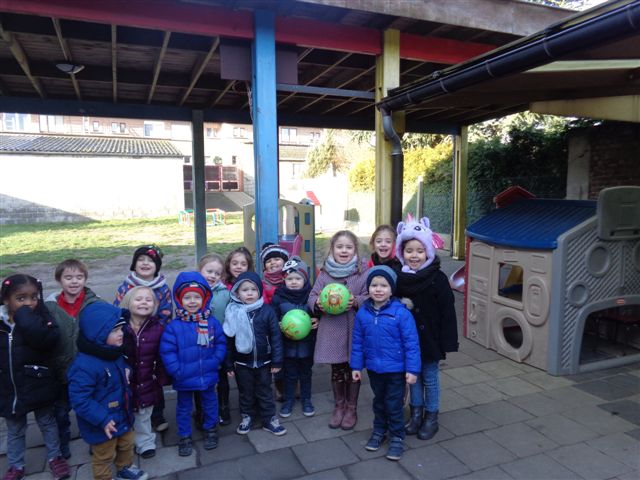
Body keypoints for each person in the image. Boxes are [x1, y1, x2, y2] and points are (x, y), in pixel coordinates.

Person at [1, 274, 71, 480]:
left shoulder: (41, 318)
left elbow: (48, 339)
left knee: (47, 422)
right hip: (10, 388)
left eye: (34, 297)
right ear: (6, 300)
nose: (29, 303)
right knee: (15, 428)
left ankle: (55, 457)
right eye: (21, 298)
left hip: (39, 382)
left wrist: (25, 318)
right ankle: (16, 465)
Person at [394, 217, 458, 441]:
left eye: (420, 251)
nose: (414, 255)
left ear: (428, 252)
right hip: (408, 341)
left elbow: (448, 311)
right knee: (413, 377)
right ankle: (416, 414)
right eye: (409, 251)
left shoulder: (437, 278)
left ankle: (431, 417)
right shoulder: (399, 277)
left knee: (429, 377)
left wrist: (448, 341)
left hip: (431, 339)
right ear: (402, 252)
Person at [67, 303, 148, 480]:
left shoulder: (113, 352)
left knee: (127, 444)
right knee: (104, 455)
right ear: (98, 335)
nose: (121, 333)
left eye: (121, 329)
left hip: (123, 414)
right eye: (115, 330)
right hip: (102, 423)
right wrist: (102, 419)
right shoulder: (84, 366)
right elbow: (79, 400)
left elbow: (121, 367)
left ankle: (124, 468)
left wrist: (127, 370)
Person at [350, 266, 420, 461]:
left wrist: (412, 369)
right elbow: (357, 342)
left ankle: (397, 436)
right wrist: (356, 366)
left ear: (391, 290)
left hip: (396, 370)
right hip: (374, 369)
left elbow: (412, 344)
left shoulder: (402, 314)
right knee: (379, 402)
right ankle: (379, 431)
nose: (378, 289)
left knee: (393, 404)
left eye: (383, 285)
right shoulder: (363, 313)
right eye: (374, 285)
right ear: (368, 288)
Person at [160, 272, 226, 457]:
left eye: (196, 297)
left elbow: (220, 343)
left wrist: (215, 361)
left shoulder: (211, 323)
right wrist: (176, 370)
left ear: (204, 299)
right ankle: (184, 435)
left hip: (207, 373)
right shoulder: (174, 326)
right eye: (187, 297)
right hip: (184, 376)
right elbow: (167, 351)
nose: (192, 301)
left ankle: (210, 428)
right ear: (180, 300)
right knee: (183, 408)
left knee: (210, 403)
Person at [308, 230, 369, 430]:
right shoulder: (325, 273)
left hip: (353, 329)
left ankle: (351, 408)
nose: (344, 251)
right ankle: (339, 406)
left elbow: (370, 296)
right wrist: (317, 304)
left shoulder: (362, 272)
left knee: (353, 368)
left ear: (355, 250)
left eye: (348, 247)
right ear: (332, 249)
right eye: (339, 247)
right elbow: (312, 295)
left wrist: (356, 300)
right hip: (332, 329)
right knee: (337, 369)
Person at [45, 258, 104, 460]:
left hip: (87, 368)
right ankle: (63, 441)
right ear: (59, 280)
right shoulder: (50, 307)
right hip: (61, 369)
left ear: (85, 279)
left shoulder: (94, 303)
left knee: (89, 406)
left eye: (79, 277)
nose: (74, 281)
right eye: (68, 277)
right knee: (61, 411)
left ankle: (94, 439)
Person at [113, 245, 172, 433]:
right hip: (130, 337)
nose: (145, 264)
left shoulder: (162, 288)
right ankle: (131, 412)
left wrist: (156, 331)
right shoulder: (126, 286)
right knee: (132, 376)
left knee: (153, 377)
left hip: (153, 338)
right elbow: (118, 309)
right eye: (141, 260)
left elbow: (166, 313)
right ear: (134, 264)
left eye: (150, 261)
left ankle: (157, 415)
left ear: (157, 266)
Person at [223, 272, 286, 436]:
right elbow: (229, 340)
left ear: (259, 291)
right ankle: (247, 416)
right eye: (245, 290)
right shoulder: (233, 312)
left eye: (253, 289)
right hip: (242, 363)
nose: (249, 293)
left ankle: (269, 419)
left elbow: (276, 337)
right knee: (246, 392)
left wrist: (277, 361)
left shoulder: (267, 311)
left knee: (265, 391)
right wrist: (228, 364)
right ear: (237, 293)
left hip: (264, 362)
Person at [121, 286, 168, 459]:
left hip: (147, 378)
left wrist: (161, 378)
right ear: (128, 302)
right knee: (124, 411)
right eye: (138, 299)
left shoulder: (158, 328)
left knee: (144, 413)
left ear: (154, 305)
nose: (143, 303)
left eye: (148, 300)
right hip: (124, 380)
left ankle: (145, 442)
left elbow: (162, 356)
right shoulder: (119, 326)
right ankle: (122, 442)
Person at [271, 257, 318, 418]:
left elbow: (318, 313)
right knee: (289, 374)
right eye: (289, 278)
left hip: (307, 345)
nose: (293, 282)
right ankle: (288, 400)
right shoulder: (279, 296)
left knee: (306, 374)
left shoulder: (311, 296)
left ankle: (306, 400)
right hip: (287, 345)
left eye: (298, 278)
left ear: (305, 279)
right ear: (284, 279)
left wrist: (317, 321)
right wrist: (277, 324)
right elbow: (273, 316)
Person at [198, 253, 232, 426]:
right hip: (199, 343)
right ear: (200, 270)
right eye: (209, 271)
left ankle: (224, 407)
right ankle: (201, 410)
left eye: (217, 273)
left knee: (221, 377)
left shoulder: (225, 294)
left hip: (220, 343)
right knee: (201, 377)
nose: (212, 276)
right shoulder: (193, 291)